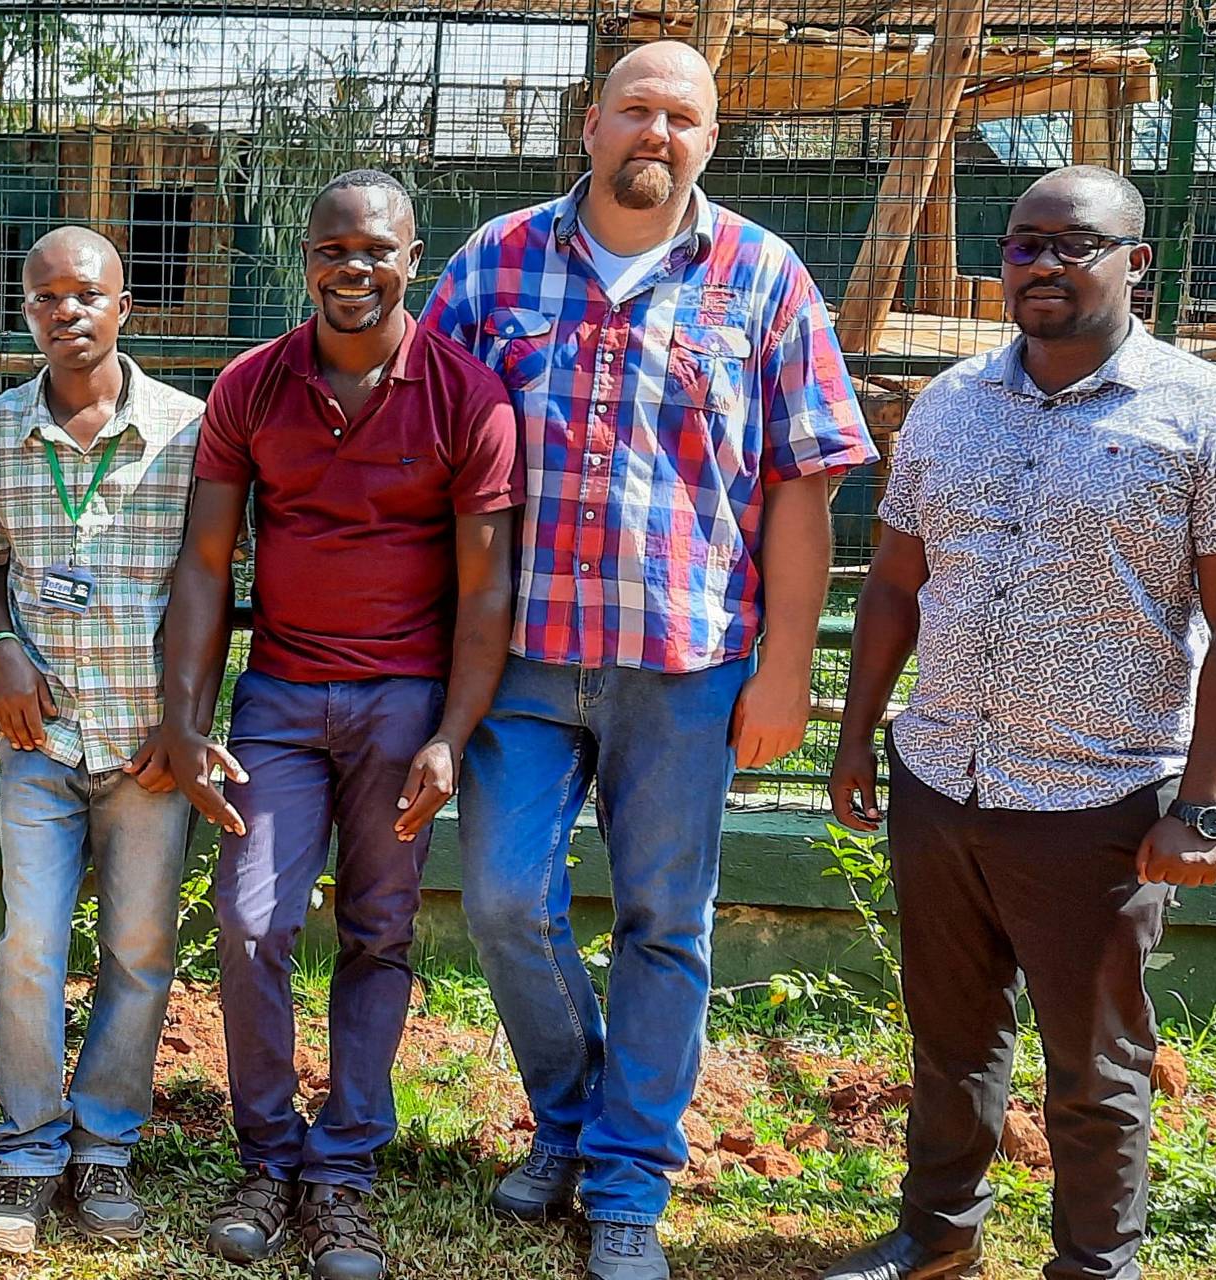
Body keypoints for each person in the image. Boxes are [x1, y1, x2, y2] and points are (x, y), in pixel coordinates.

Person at [422, 40, 875, 1280]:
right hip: (518, 656)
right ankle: (571, 1121)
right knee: (509, 900)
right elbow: (434, 457)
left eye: (683, 117)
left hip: (687, 663)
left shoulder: (765, 278)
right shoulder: (494, 263)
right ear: (591, 122)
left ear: (709, 140)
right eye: (636, 110)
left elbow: (801, 487)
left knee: (665, 921)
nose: (655, 135)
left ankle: (627, 1177)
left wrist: (789, 667)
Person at [818, 167, 1216, 1280]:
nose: (1041, 264)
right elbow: (894, 583)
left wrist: (1205, 809)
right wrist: (856, 737)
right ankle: (936, 1239)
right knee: (948, 1038)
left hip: (1099, 797)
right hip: (943, 776)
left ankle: (1094, 1262)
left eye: (1073, 245)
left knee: (1095, 1061)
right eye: (1024, 243)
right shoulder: (947, 403)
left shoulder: (1214, 415)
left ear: (1137, 262)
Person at [143, 169, 517, 1280]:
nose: (355, 269)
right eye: (333, 250)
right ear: (305, 257)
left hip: (404, 702)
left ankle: (341, 1173)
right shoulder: (254, 387)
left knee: (378, 927)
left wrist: (452, 730)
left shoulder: (468, 396)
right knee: (254, 919)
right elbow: (206, 567)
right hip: (279, 702)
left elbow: (486, 590)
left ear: (416, 259)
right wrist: (186, 716)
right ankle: (266, 1155)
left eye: (378, 251)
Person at [0, 226, 206, 1256]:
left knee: (141, 948)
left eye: (88, 295)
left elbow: (212, 589)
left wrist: (186, 723)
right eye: (47, 298)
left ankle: (104, 1142)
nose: (68, 312)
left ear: (124, 307)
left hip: (150, 746)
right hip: (42, 739)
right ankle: (25, 1150)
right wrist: (4, 641)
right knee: (30, 945)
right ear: (27, 313)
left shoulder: (191, 434)